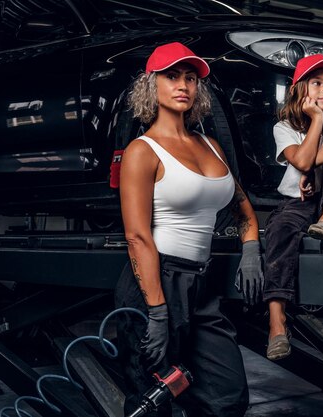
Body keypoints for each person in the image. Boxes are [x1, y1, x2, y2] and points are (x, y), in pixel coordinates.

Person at [114, 42, 264, 417]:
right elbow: (137, 236)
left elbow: (240, 205)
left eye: (191, 78)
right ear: (152, 85)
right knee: (153, 398)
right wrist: (158, 312)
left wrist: (250, 248)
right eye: (172, 76)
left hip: (201, 284)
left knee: (227, 396)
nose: (183, 85)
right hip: (156, 282)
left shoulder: (210, 145)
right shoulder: (142, 150)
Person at [262, 54, 323, 360]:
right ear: (300, 89)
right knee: (278, 230)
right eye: (317, 83)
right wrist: (316, 121)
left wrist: (311, 168)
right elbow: (300, 159)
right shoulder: (284, 127)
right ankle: (277, 324)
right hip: (299, 204)